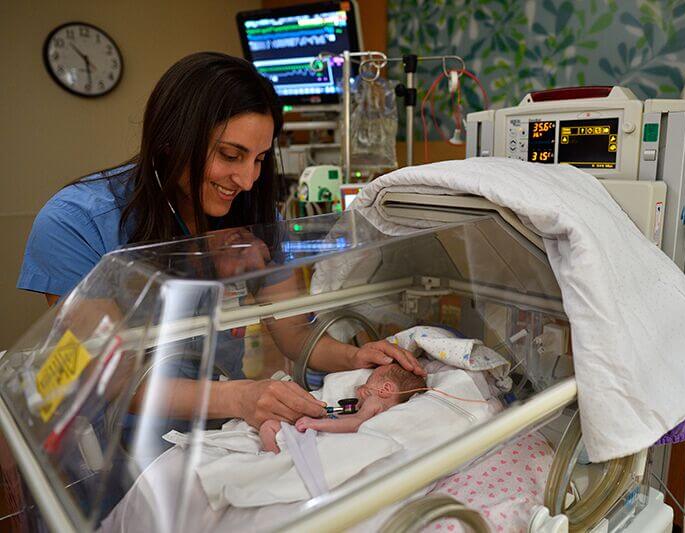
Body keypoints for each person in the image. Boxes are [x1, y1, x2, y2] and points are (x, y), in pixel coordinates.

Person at [18, 52, 424, 432]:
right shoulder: (75, 224)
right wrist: (238, 397)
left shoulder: (253, 215)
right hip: (114, 444)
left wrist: (355, 356)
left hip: (218, 430)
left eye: (260, 159)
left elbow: (295, 334)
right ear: (172, 140)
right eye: (231, 155)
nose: (247, 180)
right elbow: (112, 377)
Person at [259, 364, 427, 453]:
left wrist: (315, 423)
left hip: (330, 437)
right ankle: (274, 455)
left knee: (269, 426)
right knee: (270, 425)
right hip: (333, 433)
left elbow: (355, 424)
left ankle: (273, 455)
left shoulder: (375, 401)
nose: (361, 385)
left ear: (385, 389)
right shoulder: (382, 408)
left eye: (369, 380)